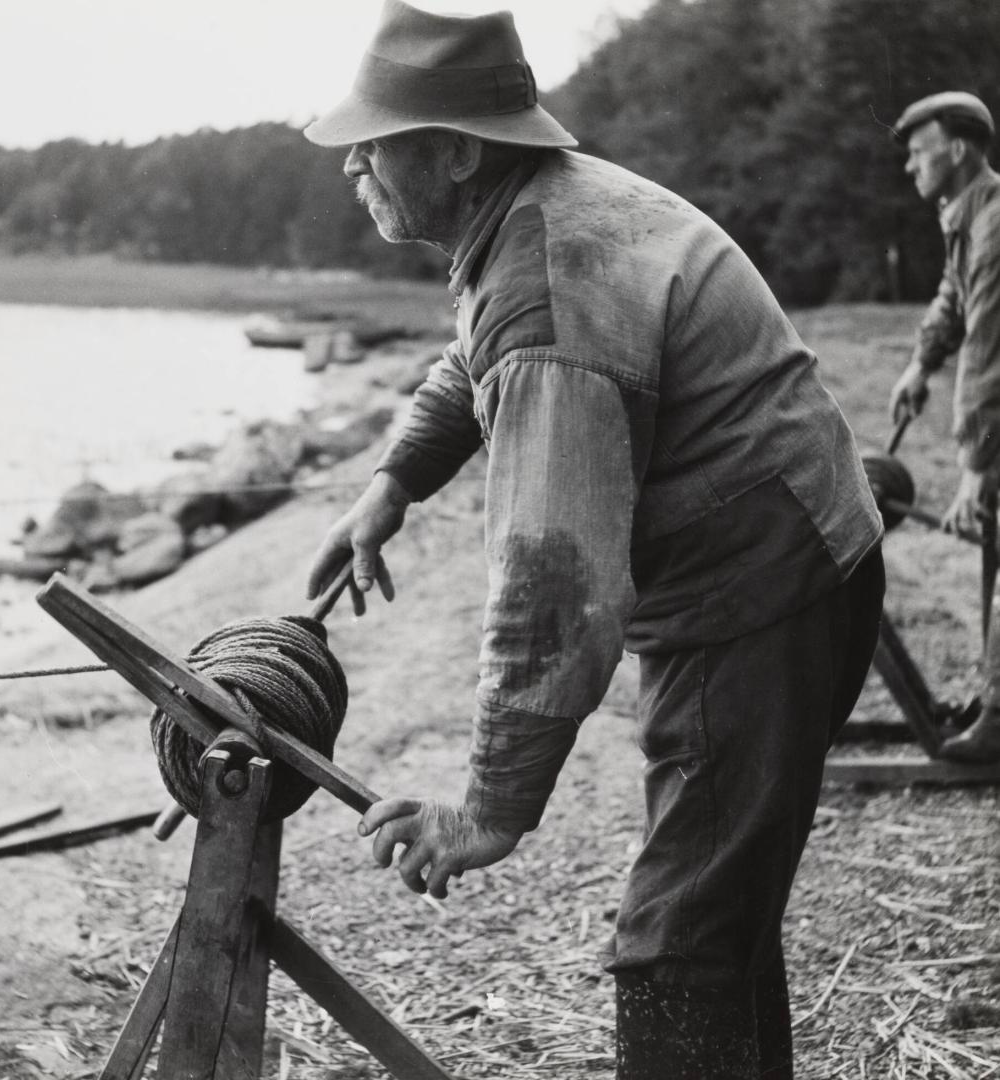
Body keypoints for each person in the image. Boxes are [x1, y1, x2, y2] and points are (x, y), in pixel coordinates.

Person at [304, 3, 884, 1076]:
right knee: (719, 916)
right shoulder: (533, 215)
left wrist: (485, 812)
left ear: (456, 150)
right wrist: (390, 483)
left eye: (370, 145)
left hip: (760, 591)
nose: (352, 168)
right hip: (776, 553)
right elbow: (470, 362)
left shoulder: (550, 283)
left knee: (675, 947)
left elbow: (555, 598)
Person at [888, 91, 1000, 764]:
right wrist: (918, 365)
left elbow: (989, 357)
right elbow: (954, 298)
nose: (910, 166)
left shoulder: (996, 226)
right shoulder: (968, 212)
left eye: (918, 151)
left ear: (956, 152)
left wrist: (973, 473)